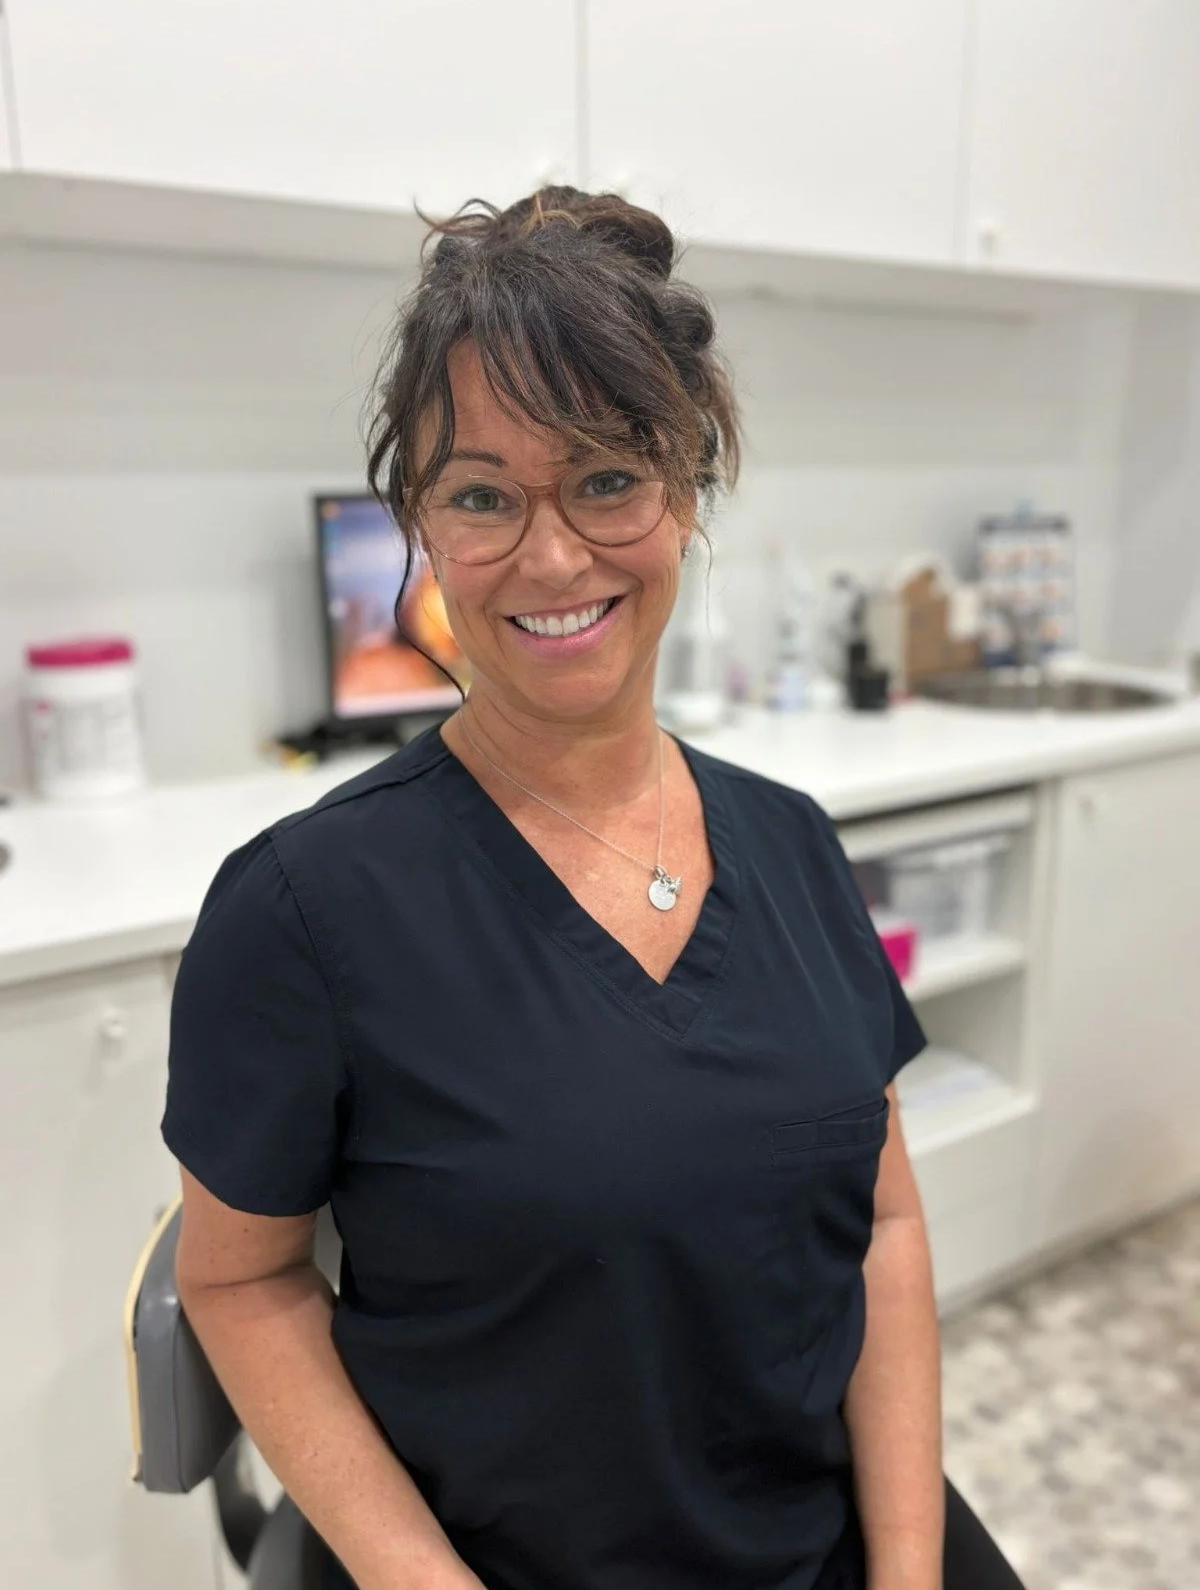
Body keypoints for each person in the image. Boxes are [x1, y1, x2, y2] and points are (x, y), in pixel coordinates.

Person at [162, 187, 1027, 1590]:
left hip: (824, 1540)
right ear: (421, 525)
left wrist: (911, 1571)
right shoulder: (307, 911)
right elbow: (240, 1279)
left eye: (609, 478)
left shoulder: (794, 845)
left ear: (688, 490)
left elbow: (882, 1223)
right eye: (483, 496)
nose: (554, 556)